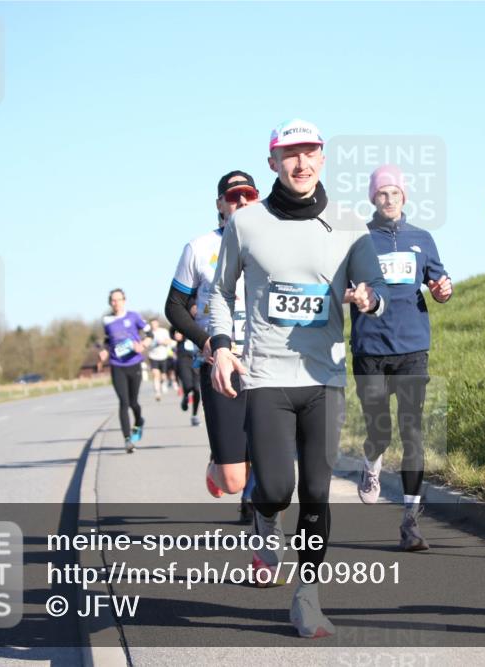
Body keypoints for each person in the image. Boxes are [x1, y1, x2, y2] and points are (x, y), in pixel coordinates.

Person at [208, 119, 388, 638]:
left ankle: (306, 596)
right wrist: (221, 347)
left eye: (310, 153)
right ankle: (265, 518)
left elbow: (375, 286)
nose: (301, 163)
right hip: (265, 375)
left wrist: (366, 298)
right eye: (290, 155)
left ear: (323, 159)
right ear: (273, 163)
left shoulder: (350, 224)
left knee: (315, 489)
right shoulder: (246, 224)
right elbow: (219, 292)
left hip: (323, 377)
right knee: (277, 489)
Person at [350, 164, 453, 552]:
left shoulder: (422, 238)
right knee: (380, 432)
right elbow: (341, 286)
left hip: (412, 347)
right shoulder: (358, 240)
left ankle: (410, 522)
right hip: (370, 348)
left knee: (413, 433)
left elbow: (439, 283)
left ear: (404, 197)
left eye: (394, 192)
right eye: (381, 193)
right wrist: (354, 296)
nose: (388, 198)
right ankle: (371, 464)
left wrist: (443, 290)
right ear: (372, 198)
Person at [165, 171, 260, 516]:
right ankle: (218, 463)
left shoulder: (271, 243)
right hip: (218, 362)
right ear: (220, 203)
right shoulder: (199, 247)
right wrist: (205, 341)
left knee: (267, 448)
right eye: (234, 197)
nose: (242, 202)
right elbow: (173, 307)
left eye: (248, 195)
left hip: (265, 359)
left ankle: (261, 520)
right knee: (231, 480)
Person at [99, 289, 150, 453]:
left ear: (124, 300)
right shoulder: (107, 320)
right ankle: (127, 439)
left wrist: (142, 345)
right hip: (117, 365)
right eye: (113, 300)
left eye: (118, 300)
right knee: (123, 402)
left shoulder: (134, 316)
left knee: (134, 402)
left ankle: (139, 421)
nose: (116, 303)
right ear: (110, 302)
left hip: (134, 363)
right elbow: (108, 340)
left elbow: (150, 333)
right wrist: (105, 351)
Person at [172, 330, 202, 426]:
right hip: (183, 361)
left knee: (197, 389)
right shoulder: (181, 323)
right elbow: (174, 334)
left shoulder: (198, 321)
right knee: (188, 386)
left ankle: (194, 415)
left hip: (197, 359)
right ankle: (185, 396)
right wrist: (177, 334)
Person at [147, 319, 174, 400]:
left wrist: (163, 342)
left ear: (157, 324)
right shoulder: (149, 333)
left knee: (163, 376)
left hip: (163, 356)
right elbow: (146, 343)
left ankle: (163, 383)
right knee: (155, 374)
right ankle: (157, 393)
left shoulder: (163, 331)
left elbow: (169, 341)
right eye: (152, 324)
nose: (153, 325)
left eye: (155, 324)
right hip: (153, 356)